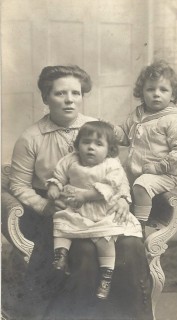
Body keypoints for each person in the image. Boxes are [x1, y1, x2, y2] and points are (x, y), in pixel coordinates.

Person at [9, 65, 153, 320]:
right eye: (60, 93)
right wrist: (44, 206)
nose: (69, 100)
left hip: (103, 205)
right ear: (46, 97)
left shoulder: (97, 127)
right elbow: (18, 184)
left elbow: (116, 172)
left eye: (75, 93)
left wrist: (123, 198)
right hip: (60, 211)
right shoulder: (31, 137)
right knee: (84, 252)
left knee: (131, 245)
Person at [47, 121, 142, 300]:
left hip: (102, 210)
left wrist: (86, 196)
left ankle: (106, 276)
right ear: (77, 145)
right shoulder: (70, 160)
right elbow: (59, 174)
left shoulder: (112, 164)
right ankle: (60, 256)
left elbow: (112, 185)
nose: (91, 147)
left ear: (110, 149)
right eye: (86, 142)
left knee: (105, 239)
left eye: (99, 144)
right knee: (62, 223)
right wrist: (54, 186)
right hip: (76, 208)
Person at [114, 60, 177, 236]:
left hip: (164, 174)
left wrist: (158, 167)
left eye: (163, 90)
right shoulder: (138, 113)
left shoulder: (174, 119)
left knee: (142, 184)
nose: (156, 94)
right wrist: (111, 130)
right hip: (134, 170)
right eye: (150, 89)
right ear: (142, 92)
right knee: (113, 179)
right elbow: (125, 136)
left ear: (173, 95)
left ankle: (139, 226)